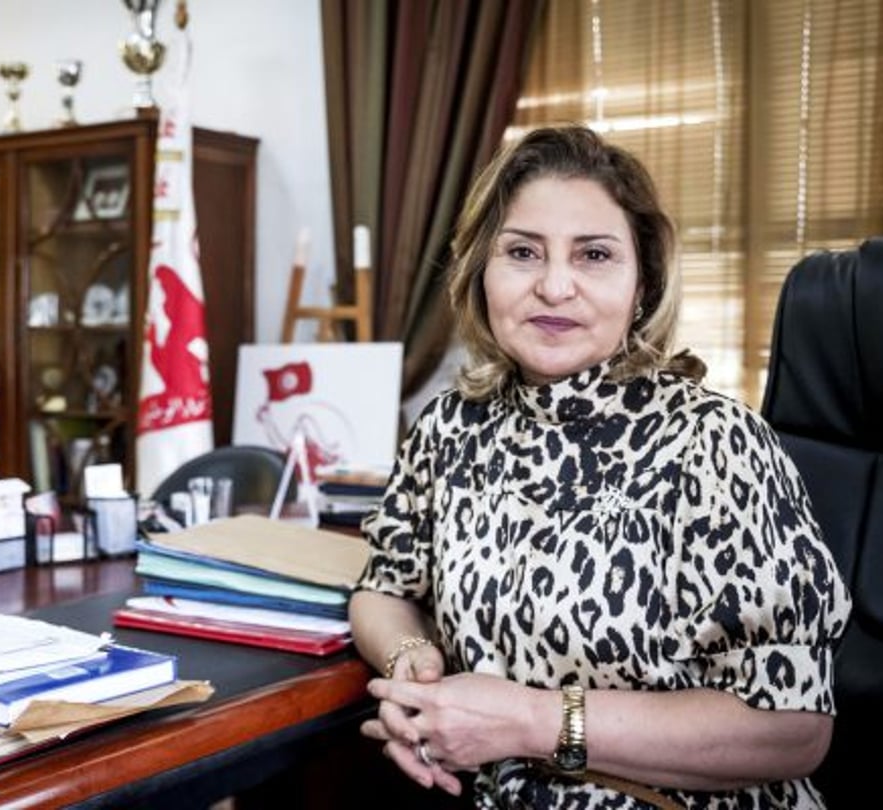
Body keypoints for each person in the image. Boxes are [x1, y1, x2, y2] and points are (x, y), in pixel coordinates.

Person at [350, 125, 851, 809]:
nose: (554, 287)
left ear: (641, 283)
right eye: (522, 252)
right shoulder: (449, 426)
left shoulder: (714, 444)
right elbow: (382, 587)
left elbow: (792, 730)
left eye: (593, 255)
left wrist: (523, 721)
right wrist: (416, 674)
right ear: (480, 272)